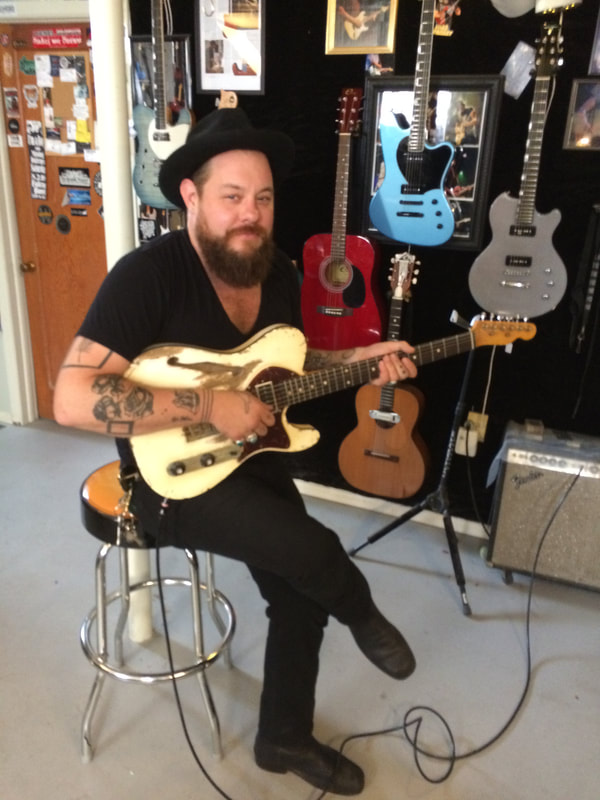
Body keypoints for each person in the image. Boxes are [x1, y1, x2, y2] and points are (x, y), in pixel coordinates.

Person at [53, 107, 418, 796]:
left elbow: (285, 360)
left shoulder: (275, 272)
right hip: (170, 481)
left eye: (263, 198)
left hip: (250, 455)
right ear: (189, 196)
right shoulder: (147, 277)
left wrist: (361, 357)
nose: (250, 214)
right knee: (315, 552)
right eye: (231, 197)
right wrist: (206, 405)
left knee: (300, 593)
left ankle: (283, 738)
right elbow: (72, 398)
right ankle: (363, 609)